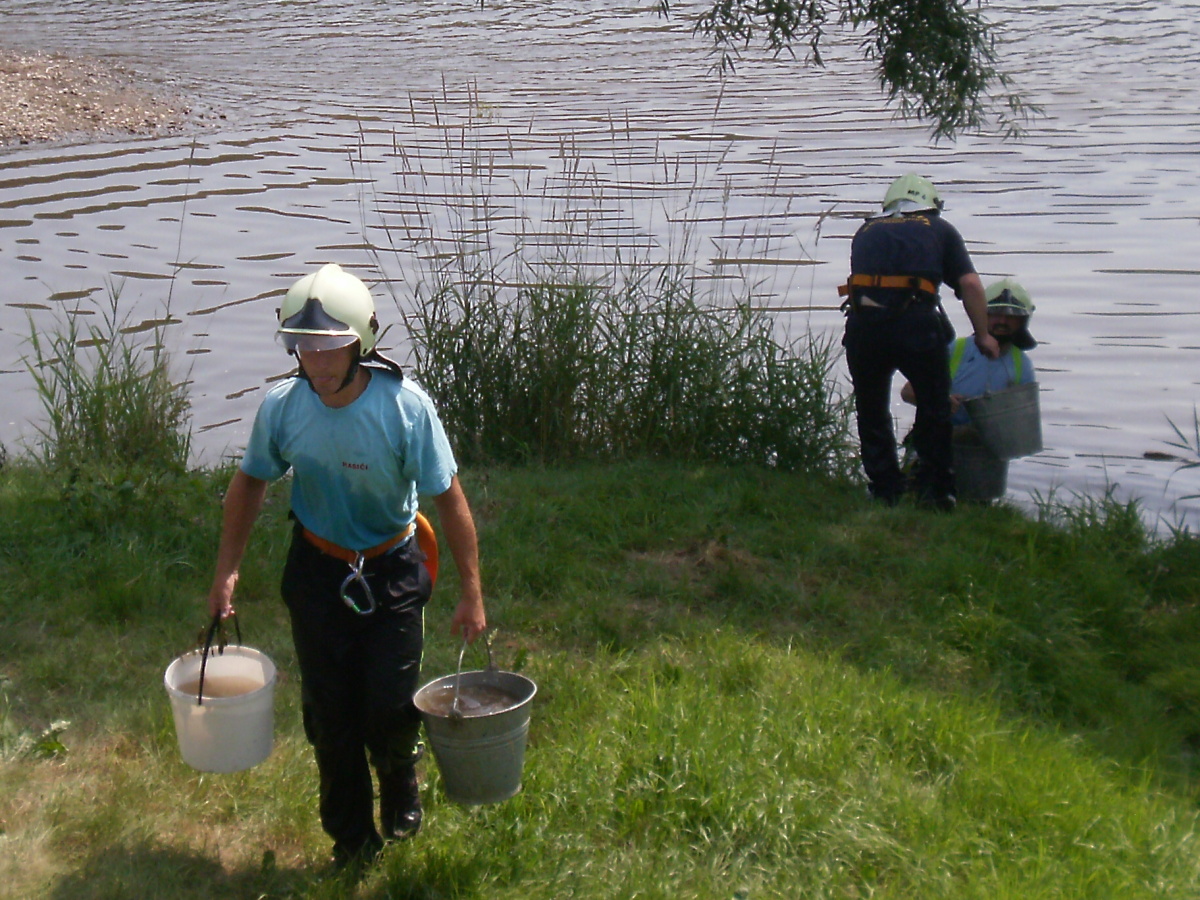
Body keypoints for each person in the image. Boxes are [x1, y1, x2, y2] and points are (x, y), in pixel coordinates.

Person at [205, 263, 487, 870]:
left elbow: (449, 499)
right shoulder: (283, 408)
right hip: (317, 569)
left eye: (330, 346)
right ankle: (352, 841)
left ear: (361, 342)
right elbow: (249, 484)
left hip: (393, 567)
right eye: (304, 347)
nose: (317, 361)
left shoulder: (405, 409)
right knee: (330, 718)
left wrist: (471, 591)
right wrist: (227, 571)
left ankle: (399, 776)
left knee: (389, 705)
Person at [840, 173, 1000, 510]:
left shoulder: (865, 231)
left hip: (864, 328)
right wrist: (984, 334)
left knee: (871, 409)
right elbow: (970, 284)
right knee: (934, 407)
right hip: (916, 327)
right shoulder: (940, 229)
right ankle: (935, 492)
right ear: (931, 205)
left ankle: (884, 489)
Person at [901, 277, 1038, 425]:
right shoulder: (955, 350)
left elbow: (1023, 425)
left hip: (990, 438)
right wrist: (940, 401)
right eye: (995, 313)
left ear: (1022, 321)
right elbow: (908, 392)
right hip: (943, 435)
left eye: (1011, 317)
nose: (1002, 321)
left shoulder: (1022, 366)